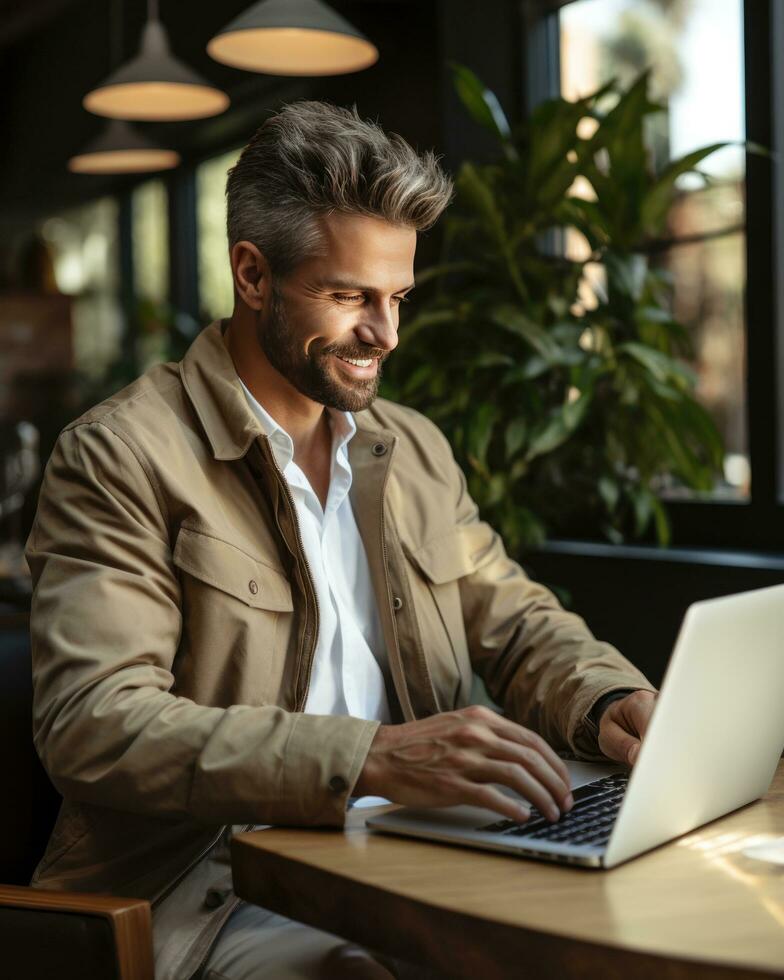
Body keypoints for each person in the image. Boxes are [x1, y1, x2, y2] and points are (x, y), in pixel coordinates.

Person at [25, 100, 657, 980]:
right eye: (349, 296)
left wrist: (609, 701)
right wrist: (371, 758)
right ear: (253, 274)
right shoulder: (121, 454)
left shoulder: (414, 449)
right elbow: (94, 724)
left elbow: (515, 619)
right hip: (215, 889)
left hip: (417, 858)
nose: (386, 334)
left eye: (397, 297)